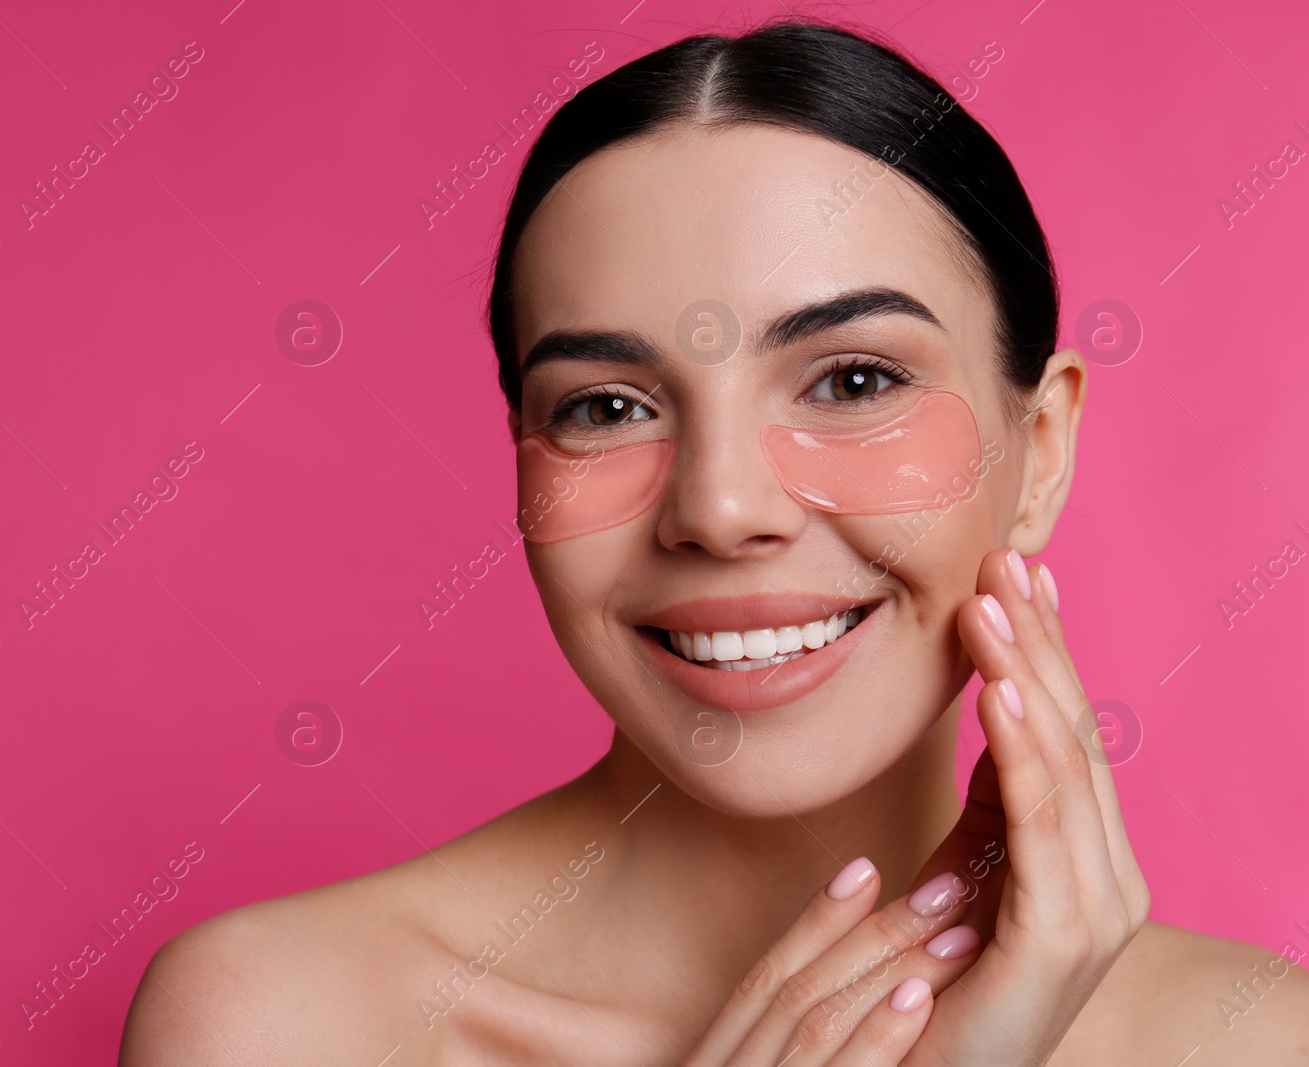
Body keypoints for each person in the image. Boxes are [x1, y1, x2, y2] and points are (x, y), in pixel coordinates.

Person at [119, 17, 1309, 1065]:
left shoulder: (1255, 1041)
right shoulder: (282, 1027)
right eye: (605, 406)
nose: (720, 506)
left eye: (851, 378)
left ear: (1038, 449)